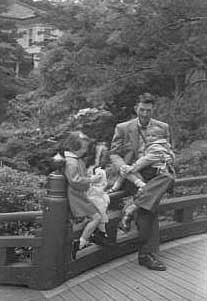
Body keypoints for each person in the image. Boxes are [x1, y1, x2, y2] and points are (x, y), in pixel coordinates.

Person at [110, 92, 175, 271]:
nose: (145, 114)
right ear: (136, 108)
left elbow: (168, 150)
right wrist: (122, 166)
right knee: (149, 209)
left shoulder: (163, 127)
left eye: (149, 110)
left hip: (156, 173)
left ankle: (133, 207)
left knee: (168, 177)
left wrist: (168, 160)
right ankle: (147, 255)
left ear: (153, 109)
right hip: (133, 174)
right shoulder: (122, 128)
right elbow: (114, 153)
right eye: (142, 110)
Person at [118, 137, 175, 232]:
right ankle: (130, 211)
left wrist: (167, 160)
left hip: (149, 189)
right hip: (138, 184)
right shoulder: (132, 152)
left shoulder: (156, 151)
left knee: (167, 178)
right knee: (167, 179)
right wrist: (140, 184)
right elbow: (125, 170)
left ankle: (130, 211)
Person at [63, 131, 105, 260]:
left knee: (94, 216)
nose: (86, 151)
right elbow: (75, 180)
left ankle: (90, 237)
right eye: (84, 148)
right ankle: (81, 243)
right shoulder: (72, 162)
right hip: (77, 196)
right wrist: (92, 179)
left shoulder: (74, 159)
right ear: (75, 147)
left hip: (80, 194)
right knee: (96, 217)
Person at [87, 143, 110, 244]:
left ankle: (101, 233)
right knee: (100, 213)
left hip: (98, 194)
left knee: (102, 210)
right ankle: (101, 234)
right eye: (103, 156)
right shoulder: (97, 170)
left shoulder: (95, 169)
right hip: (94, 196)